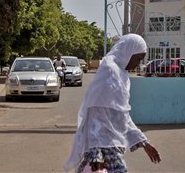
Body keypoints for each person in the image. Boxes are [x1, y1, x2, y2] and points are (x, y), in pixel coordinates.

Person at [64, 34, 161, 172]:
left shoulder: (122, 75)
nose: (138, 63)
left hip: (113, 144)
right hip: (101, 147)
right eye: (138, 58)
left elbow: (122, 116)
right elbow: (95, 113)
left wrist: (144, 143)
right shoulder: (110, 70)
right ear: (128, 52)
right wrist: (95, 154)